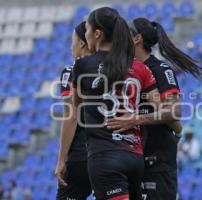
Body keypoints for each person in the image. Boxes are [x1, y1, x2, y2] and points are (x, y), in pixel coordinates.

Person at [107, 17, 202, 200]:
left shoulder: (161, 69)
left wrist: (136, 119)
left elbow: (175, 111)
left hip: (157, 162)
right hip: (131, 162)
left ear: (137, 39)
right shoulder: (124, 71)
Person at [72, 7, 161, 200]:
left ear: (97, 34)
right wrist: (137, 119)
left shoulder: (83, 66)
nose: (85, 35)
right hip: (135, 158)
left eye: (87, 30)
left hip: (104, 157)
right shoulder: (140, 67)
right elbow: (168, 111)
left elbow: (73, 112)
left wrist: (63, 160)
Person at [55, 21, 92, 199]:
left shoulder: (72, 71)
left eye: (73, 41)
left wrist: (61, 160)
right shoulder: (115, 69)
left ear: (82, 43)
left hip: (81, 154)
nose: (71, 46)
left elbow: (71, 116)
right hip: (113, 153)